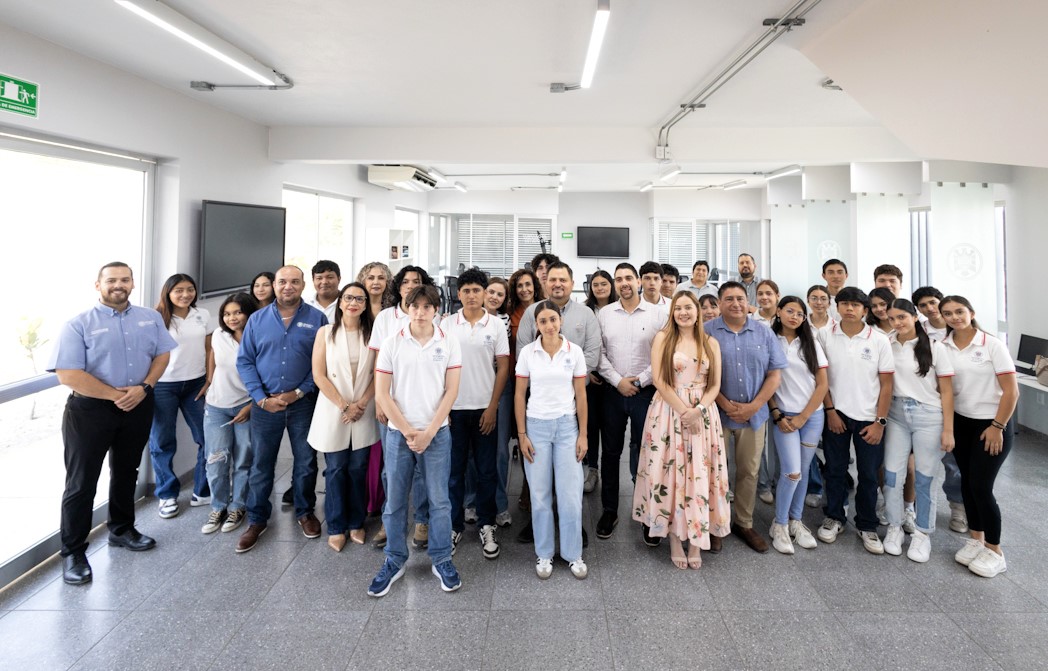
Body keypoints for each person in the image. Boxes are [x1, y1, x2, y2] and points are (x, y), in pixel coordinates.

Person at [49, 262, 176, 585]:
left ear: (132, 283)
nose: (119, 285)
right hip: (90, 411)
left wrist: (144, 387)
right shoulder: (78, 324)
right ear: (98, 285)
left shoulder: (149, 318)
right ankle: (73, 552)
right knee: (81, 482)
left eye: (125, 279)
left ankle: (121, 529)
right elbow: (68, 373)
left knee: (127, 471)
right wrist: (115, 395)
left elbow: (162, 355)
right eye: (111, 280)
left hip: (138, 403)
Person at [369, 285, 462, 597]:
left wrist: (429, 432)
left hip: (437, 434)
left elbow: (451, 391)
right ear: (406, 308)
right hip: (399, 434)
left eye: (427, 307)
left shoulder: (448, 341)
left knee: (439, 500)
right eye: (415, 306)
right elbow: (382, 393)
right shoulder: (392, 342)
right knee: (395, 501)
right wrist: (408, 430)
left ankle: (442, 559)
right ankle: (395, 559)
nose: (420, 312)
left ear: (436, 310)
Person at [634, 291, 729, 569]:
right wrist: (684, 411)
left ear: (698, 312)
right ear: (672, 312)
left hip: (702, 413)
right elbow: (659, 380)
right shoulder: (664, 338)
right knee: (671, 472)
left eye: (688, 307)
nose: (683, 313)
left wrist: (698, 410)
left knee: (699, 472)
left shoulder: (710, 342)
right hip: (668, 410)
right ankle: (675, 539)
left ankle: (697, 540)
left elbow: (715, 384)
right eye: (678, 308)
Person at [235, 265, 327, 553]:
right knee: (261, 464)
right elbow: (245, 361)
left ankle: (305, 512)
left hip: (303, 404)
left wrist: (298, 392)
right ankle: (257, 519)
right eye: (283, 281)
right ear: (274, 285)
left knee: (306, 461)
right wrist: (260, 398)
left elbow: (322, 363)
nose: (288, 286)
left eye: (294, 282)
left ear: (303, 285)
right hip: (265, 406)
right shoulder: (257, 320)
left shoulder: (317, 319)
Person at [517, 262, 601, 543]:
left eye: (563, 279)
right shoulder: (532, 312)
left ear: (572, 283)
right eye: (552, 279)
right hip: (538, 404)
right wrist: (547, 377)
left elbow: (592, 353)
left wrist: (566, 378)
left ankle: (572, 527)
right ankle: (539, 525)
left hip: (573, 403)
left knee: (570, 477)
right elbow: (525, 351)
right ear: (545, 283)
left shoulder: (585, 314)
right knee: (538, 477)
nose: (557, 284)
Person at [939, 295, 1019, 578]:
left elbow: (1011, 391)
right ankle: (976, 540)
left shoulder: (991, 344)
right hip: (962, 422)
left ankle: (995, 551)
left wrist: (997, 426)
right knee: (967, 484)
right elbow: (946, 390)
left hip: (991, 423)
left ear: (971, 313)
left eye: (959, 311)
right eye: (948, 313)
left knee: (982, 486)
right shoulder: (943, 346)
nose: (955, 317)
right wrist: (949, 428)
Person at [706, 281, 785, 553]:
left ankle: (743, 522)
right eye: (729, 299)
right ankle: (715, 524)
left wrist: (754, 406)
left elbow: (775, 374)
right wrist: (724, 403)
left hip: (754, 415)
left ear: (747, 302)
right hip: (717, 414)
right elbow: (700, 374)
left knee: (749, 471)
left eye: (740, 298)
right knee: (715, 471)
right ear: (719, 303)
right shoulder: (706, 332)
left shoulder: (763, 332)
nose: (736, 303)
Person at [515, 300, 589, 580]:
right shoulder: (528, 353)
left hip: (567, 427)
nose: (549, 325)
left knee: (570, 495)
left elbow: (581, 395)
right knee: (540, 494)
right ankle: (544, 553)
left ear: (561, 321)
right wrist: (522, 435)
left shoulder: (574, 352)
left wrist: (583, 434)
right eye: (543, 321)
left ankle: (573, 554)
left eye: (553, 320)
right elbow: (519, 394)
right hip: (536, 427)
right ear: (536, 325)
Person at [816, 287, 894, 554]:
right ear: (836, 307)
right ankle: (835, 517)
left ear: (865, 310)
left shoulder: (879, 339)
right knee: (835, 470)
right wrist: (830, 411)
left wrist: (880, 422)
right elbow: (821, 378)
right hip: (836, 414)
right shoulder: (825, 335)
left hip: (869, 418)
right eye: (844, 304)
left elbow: (886, 384)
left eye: (855, 305)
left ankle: (867, 524)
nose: (849, 309)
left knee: (869, 475)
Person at [595, 262, 668, 541]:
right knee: (610, 453)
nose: (624, 283)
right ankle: (610, 510)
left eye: (628, 277)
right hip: (612, 392)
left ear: (638, 281)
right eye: (619, 279)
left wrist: (639, 381)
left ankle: (648, 513)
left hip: (646, 392)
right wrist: (618, 381)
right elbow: (599, 353)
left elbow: (663, 354)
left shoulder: (658, 314)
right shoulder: (604, 314)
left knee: (646, 452)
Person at [442, 268, 510, 559]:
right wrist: (443, 408)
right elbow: (439, 366)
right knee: (454, 473)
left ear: (484, 293)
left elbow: (503, 367)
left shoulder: (495, 325)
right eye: (466, 290)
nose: (471, 295)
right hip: (454, 410)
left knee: (486, 471)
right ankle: (454, 526)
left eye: (476, 290)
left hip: (485, 409)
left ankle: (486, 524)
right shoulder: (446, 324)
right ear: (459, 294)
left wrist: (493, 406)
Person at [368, 265, 439, 549]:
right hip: (391, 405)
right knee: (391, 469)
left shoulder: (433, 317)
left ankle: (422, 520)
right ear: (398, 288)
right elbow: (377, 362)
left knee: (422, 470)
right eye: (406, 282)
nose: (410, 285)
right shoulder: (386, 318)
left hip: (424, 407)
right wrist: (379, 400)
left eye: (416, 281)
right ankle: (391, 522)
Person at [881, 299, 955, 562]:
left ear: (914, 316)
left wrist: (948, 429)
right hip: (896, 415)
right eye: (892, 318)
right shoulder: (886, 343)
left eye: (902, 317)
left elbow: (947, 392)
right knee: (892, 475)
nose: (897, 323)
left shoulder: (935, 347)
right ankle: (894, 526)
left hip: (929, 416)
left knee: (925, 478)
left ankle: (923, 533)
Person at [308, 282, 378, 551]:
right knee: (336, 469)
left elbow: (380, 374)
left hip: (363, 409)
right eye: (348, 298)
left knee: (358, 469)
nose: (353, 303)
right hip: (334, 409)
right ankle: (336, 526)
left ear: (365, 304)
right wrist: (344, 406)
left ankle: (356, 522)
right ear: (340, 302)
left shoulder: (372, 333)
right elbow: (319, 374)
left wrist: (360, 404)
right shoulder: (325, 333)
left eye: (359, 299)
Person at [766, 296, 828, 554]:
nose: (794, 316)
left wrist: (804, 416)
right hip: (784, 416)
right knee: (791, 472)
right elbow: (766, 381)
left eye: (800, 314)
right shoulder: (769, 340)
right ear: (779, 311)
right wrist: (777, 413)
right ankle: (779, 524)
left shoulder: (811, 342)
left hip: (812, 416)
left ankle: (795, 520)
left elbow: (822, 384)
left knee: (802, 470)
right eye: (789, 311)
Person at [149, 273, 212, 519]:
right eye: (179, 290)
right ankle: (167, 494)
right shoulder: (155, 317)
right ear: (168, 292)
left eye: (190, 289)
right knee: (162, 441)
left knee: (207, 437)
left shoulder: (202, 314)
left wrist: (209, 379)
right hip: (163, 386)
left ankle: (202, 490)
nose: (185, 294)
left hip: (196, 384)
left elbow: (209, 349)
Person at [200, 292, 258, 535]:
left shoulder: (258, 337)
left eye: (238, 312)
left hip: (247, 405)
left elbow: (268, 375)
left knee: (243, 460)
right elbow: (213, 357)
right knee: (216, 460)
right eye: (227, 314)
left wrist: (251, 406)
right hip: (216, 407)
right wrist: (209, 381)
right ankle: (218, 506)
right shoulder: (219, 335)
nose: (232, 318)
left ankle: (238, 506)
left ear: (249, 313)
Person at [912, 285, 967, 532]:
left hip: (962, 402)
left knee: (955, 461)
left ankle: (958, 507)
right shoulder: (919, 331)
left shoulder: (959, 329)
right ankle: (914, 506)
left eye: (933, 303)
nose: (929, 308)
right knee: (924, 461)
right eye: (923, 305)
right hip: (929, 403)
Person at [356, 261, 395, 521]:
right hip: (358, 382)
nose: (376, 282)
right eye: (371, 277)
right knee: (361, 447)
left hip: (385, 384)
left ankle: (379, 500)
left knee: (381, 447)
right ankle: (363, 499)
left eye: (381, 277)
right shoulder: (354, 308)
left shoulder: (392, 312)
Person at [483, 276, 514, 527]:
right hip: (473, 388)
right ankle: (473, 502)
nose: (494, 297)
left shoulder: (504, 321)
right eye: (491, 292)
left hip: (500, 386)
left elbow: (500, 360)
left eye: (500, 294)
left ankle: (500, 504)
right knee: (474, 450)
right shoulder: (460, 319)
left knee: (501, 450)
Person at [582, 269, 616, 495]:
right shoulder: (585, 311)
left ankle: (609, 472)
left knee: (611, 427)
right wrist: (587, 372)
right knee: (591, 425)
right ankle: (592, 469)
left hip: (615, 377)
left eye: (604, 283)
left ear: (611, 286)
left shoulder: (619, 308)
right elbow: (580, 344)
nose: (600, 288)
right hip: (591, 377)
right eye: (596, 284)